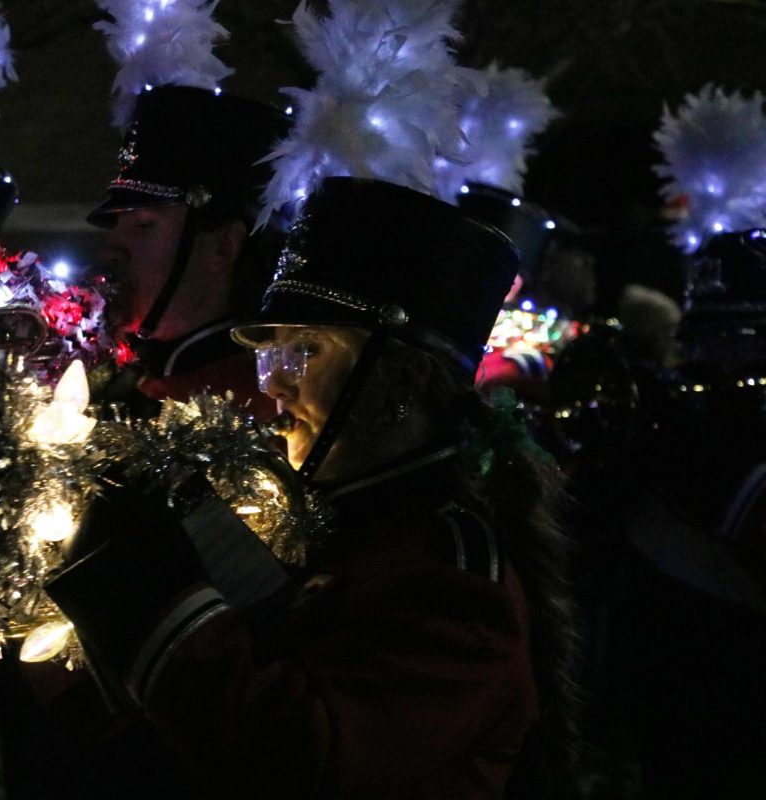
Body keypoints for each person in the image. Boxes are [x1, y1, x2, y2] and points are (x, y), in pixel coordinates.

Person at [47, 177, 582, 798]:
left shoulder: (451, 580)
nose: (273, 385)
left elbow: (305, 764)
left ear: (399, 381)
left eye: (304, 350)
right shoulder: (329, 516)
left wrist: (151, 582)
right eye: (270, 353)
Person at [88, 85, 291, 420]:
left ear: (223, 247)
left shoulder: (270, 411)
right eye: (116, 225)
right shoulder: (108, 382)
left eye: (143, 226)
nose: (111, 248)